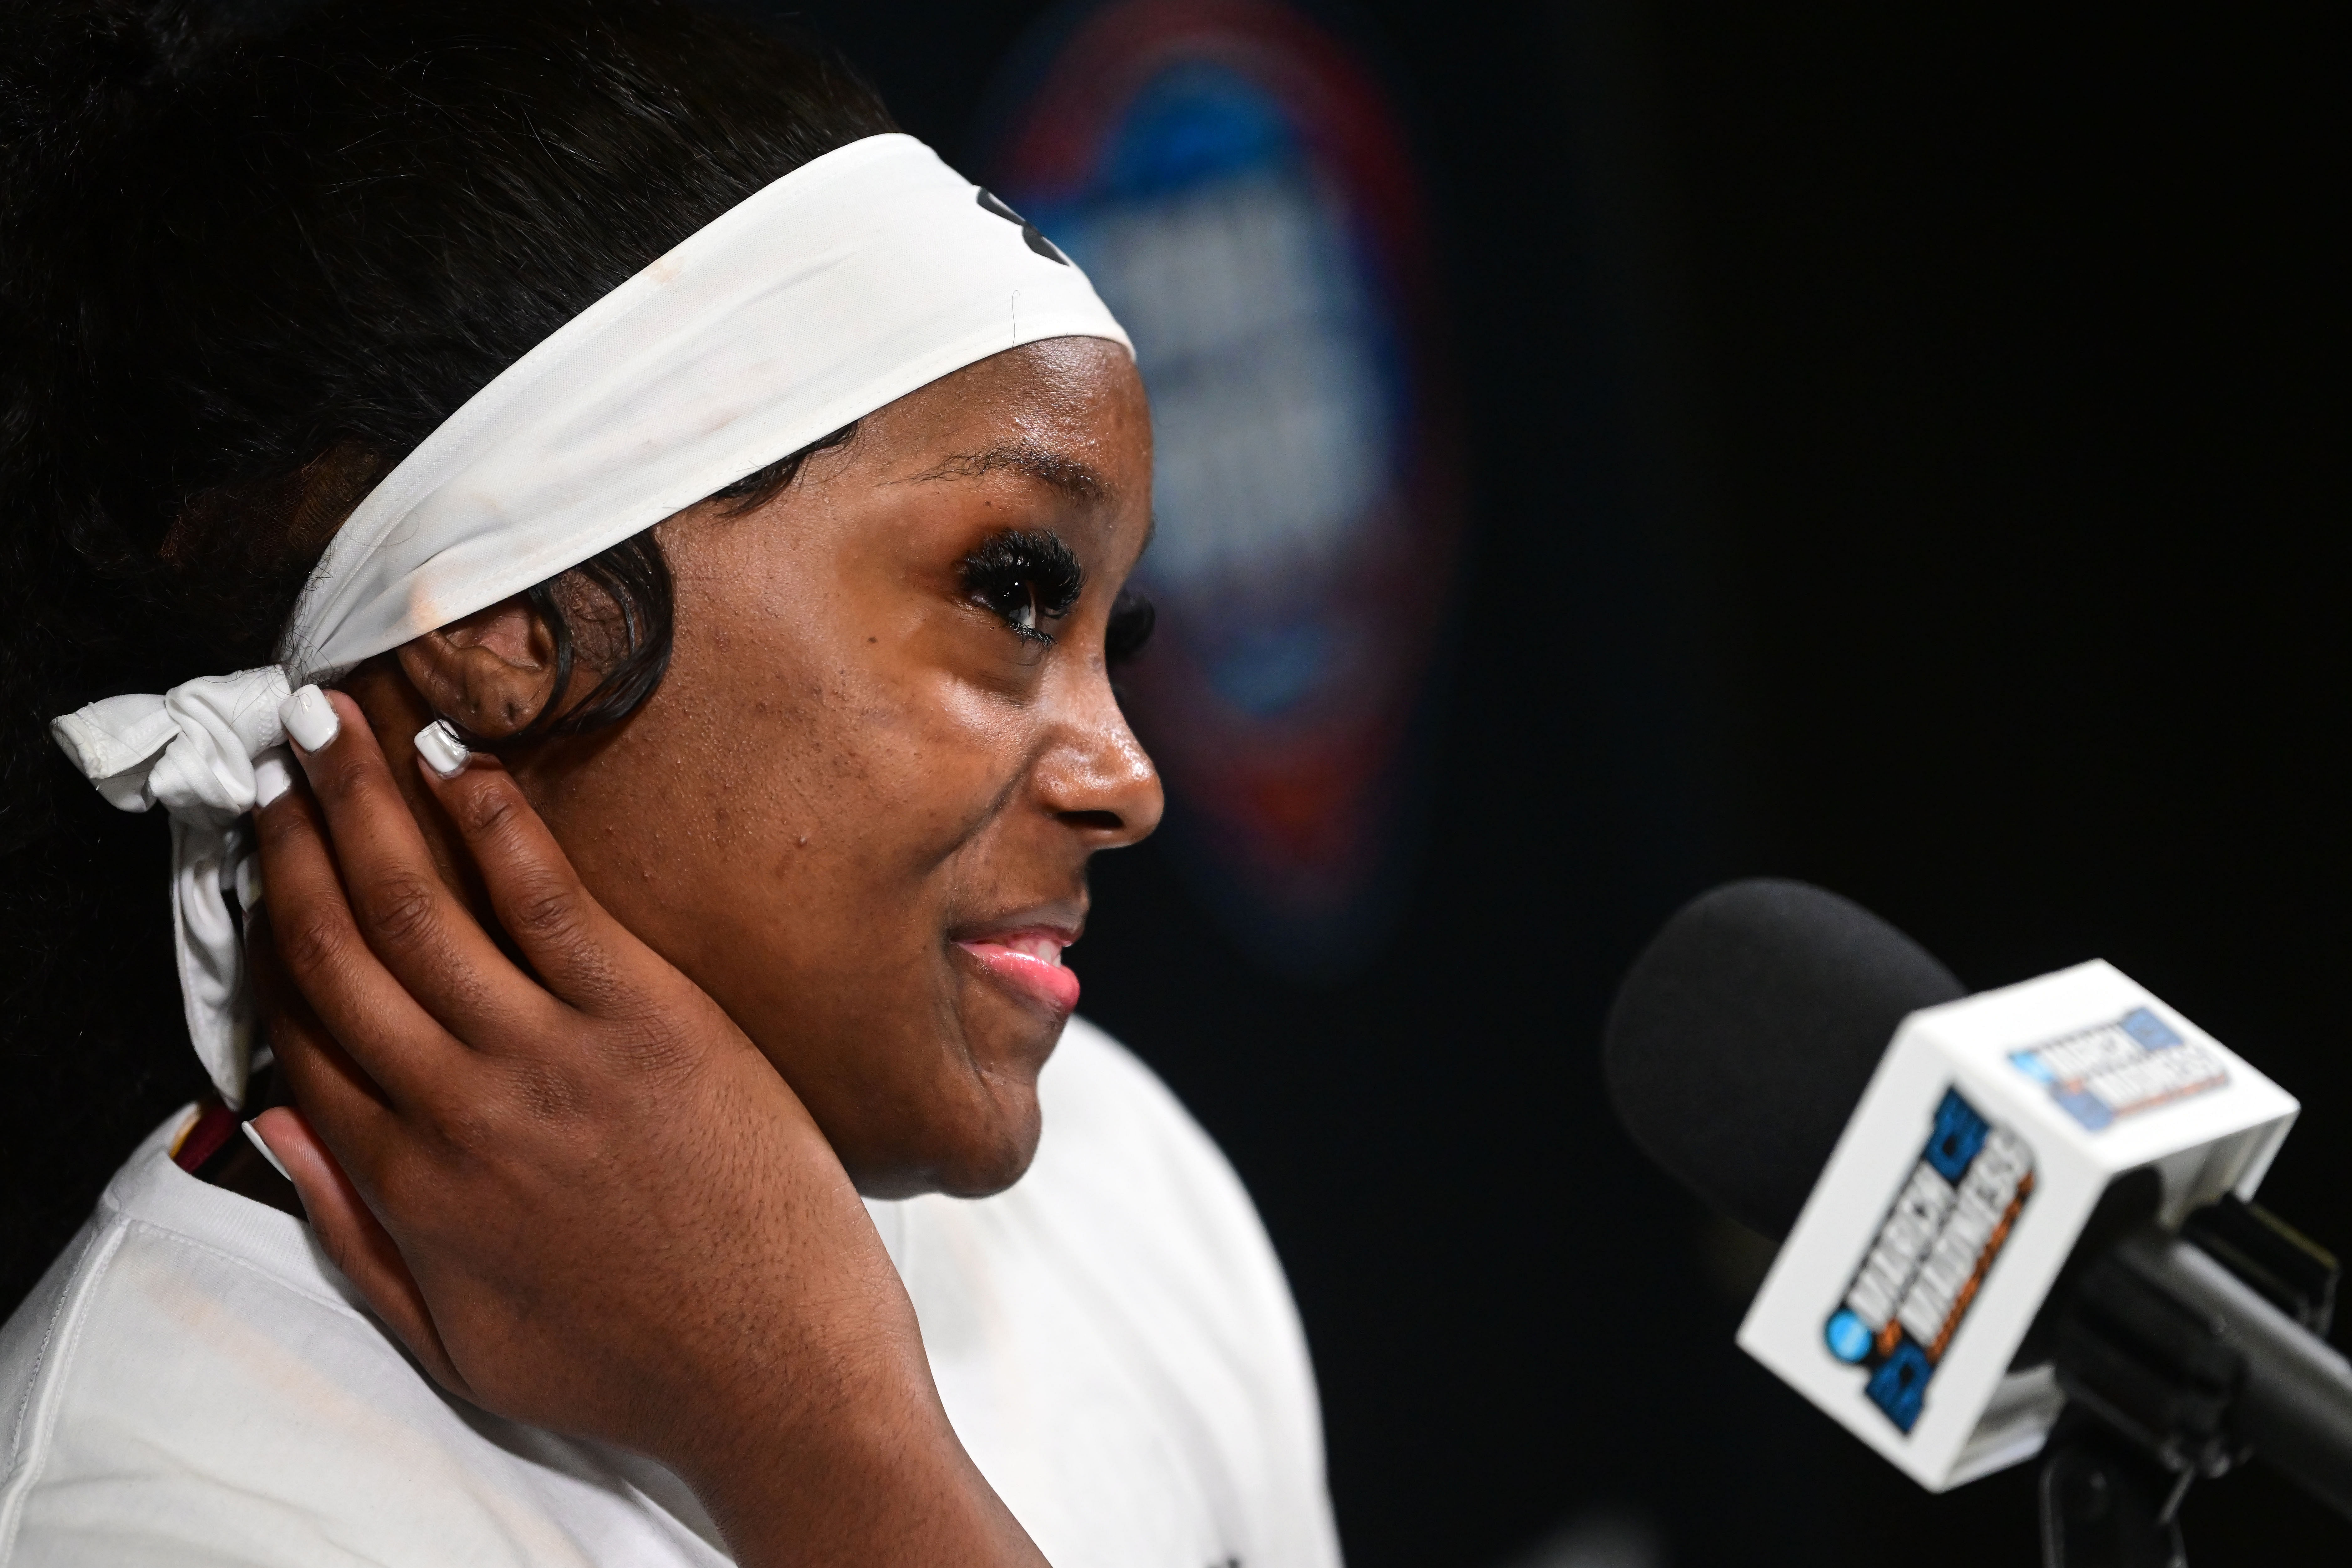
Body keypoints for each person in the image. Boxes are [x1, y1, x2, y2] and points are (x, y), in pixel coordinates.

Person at [0, 2, 1342, 1563]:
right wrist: (822, 1437)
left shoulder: (1121, 1174)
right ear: (503, 622)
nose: (1129, 778)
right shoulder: (149, 1503)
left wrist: (822, 1427)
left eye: (1119, 632)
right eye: (1013, 590)